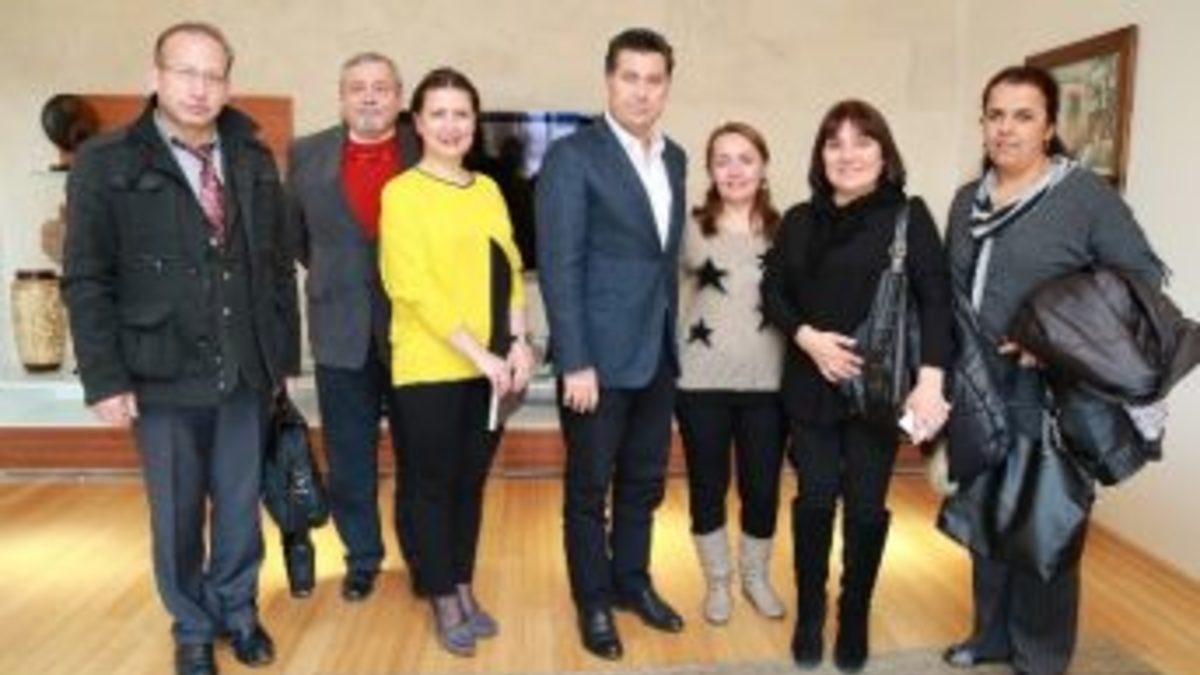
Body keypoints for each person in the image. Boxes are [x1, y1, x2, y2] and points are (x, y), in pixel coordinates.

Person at [61, 21, 298, 675]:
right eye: (186, 72)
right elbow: (86, 278)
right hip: (159, 371)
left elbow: (277, 267)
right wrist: (105, 379)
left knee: (241, 508)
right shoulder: (105, 161)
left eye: (213, 75)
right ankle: (192, 624)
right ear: (156, 77)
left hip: (245, 369)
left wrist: (281, 360)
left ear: (228, 84)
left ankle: (237, 610)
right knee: (176, 511)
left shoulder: (251, 155)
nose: (199, 88)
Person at [941, 65, 1162, 675]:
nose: (1006, 128)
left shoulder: (1084, 197)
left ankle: (1040, 654)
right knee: (986, 515)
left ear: (1049, 127)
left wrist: (1056, 341)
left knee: (1045, 525)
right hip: (978, 388)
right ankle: (990, 635)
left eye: (1023, 115)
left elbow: (1140, 282)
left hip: (1051, 395)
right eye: (996, 115)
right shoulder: (968, 199)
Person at [761, 99, 952, 672]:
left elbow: (936, 301)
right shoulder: (799, 219)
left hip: (879, 388)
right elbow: (773, 293)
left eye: (862, 142)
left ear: (884, 153)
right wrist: (808, 339)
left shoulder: (908, 216)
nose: (848, 154)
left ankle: (855, 614)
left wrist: (931, 381)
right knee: (815, 500)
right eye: (834, 143)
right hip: (811, 385)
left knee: (867, 508)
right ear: (820, 156)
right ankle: (811, 613)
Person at [536, 27, 688, 661]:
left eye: (654, 80)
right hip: (594, 362)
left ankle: (632, 582)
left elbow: (661, 260)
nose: (642, 92)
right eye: (630, 78)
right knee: (588, 490)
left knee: (644, 483)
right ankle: (593, 601)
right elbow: (559, 264)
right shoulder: (573, 157)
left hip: (656, 353)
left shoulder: (676, 158)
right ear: (609, 81)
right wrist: (575, 359)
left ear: (666, 87)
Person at [379, 67, 533, 658]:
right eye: (438, 114)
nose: (450, 125)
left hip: (491, 368)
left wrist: (519, 342)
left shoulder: (488, 190)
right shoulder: (402, 193)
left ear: (475, 123)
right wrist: (480, 354)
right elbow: (411, 287)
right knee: (432, 486)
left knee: (470, 484)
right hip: (430, 368)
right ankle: (442, 596)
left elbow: (509, 269)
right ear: (418, 124)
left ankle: (464, 585)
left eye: (461, 114)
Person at [286, 51, 420, 602]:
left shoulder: (426, 146)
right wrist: (336, 277)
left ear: (399, 97)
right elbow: (297, 239)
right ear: (341, 97)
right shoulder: (305, 153)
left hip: (417, 330)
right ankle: (362, 558)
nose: (369, 96)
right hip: (339, 328)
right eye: (357, 87)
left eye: (381, 87)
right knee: (347, 459)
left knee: (421, 456)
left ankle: (423, 558)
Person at [676, 122, 788, 625]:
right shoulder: (690, 228)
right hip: (700, 385)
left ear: (763, 167)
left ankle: (755, 577)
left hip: (770, 386)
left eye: (745, 158)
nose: (734, 170)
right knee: (707, 487)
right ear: (710, 170)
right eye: (722, 160)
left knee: (762, 489)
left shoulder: (788, 230)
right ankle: (718, 582)